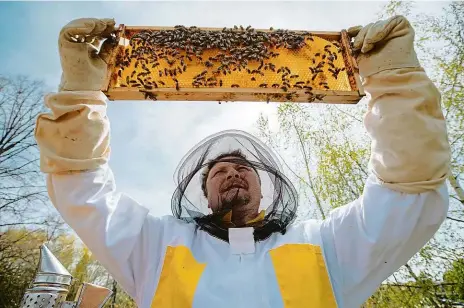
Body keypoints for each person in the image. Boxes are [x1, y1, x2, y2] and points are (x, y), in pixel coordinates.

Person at [35, 16, 451, 308]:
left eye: (243, 168)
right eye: (218, 171)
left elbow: (408, 192)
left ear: (263, 185)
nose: (232, 172)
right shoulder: (154, 245)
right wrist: (79, 97)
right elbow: (81, 191)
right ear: (203, 193)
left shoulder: (327, 245)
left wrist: (397, 86)